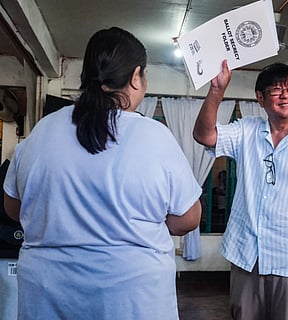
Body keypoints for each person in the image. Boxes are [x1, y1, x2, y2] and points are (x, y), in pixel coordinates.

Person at [3, 27, 202, 320]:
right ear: (136, 76)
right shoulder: (154, 136)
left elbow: (13, 207)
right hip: (132, 298)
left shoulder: (43, 131)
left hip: (48, 294)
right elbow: (188, 218)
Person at [193, 61, 288, 320]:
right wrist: (217, 91)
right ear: (260, 98)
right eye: (277, 90)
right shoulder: (247, 130)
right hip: (246, 258)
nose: (286, 95)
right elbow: (203, 135)